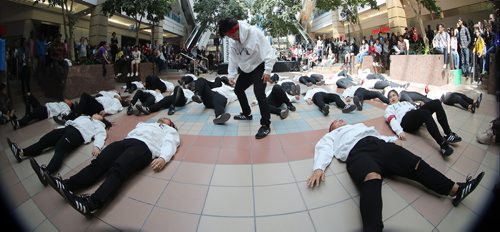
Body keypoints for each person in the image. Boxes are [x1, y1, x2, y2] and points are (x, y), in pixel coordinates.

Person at [307, 119, 485, 232]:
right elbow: (323, 149)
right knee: (372, 177)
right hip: (358, 153)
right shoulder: (331, 136)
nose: (340, 121)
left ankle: (456, 189)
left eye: (340, 120)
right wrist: (318, 168)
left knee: (416, 164)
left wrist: (394, 140)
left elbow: (378, 135)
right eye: (336, 122)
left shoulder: (358, 126)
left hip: (379, 145)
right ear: (332, 129)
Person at [45, 118, 180, 216]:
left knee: (118, 169)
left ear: (171, 125)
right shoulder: (146, 124)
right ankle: (68, 184)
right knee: (99, 163)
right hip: (125, 142)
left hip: (144, 147)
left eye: (167, 119)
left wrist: (163, 157)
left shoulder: (170, 131)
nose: (163, 118)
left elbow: (171, 143)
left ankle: (91, 204)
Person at [6, 114, 111, 186]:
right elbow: (71, 122)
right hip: (66, 129)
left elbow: (101, 135)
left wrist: (97, 146)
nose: (96, 113)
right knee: (45, 140)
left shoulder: (99, 125)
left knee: (60, 148)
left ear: (101, 119)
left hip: (77, 134)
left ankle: (46, 172)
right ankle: (21, 152)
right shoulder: (85, 117)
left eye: (99, 114)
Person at [218, 18, 277, 139]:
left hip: (259, 66)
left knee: (259, 92)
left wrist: (268, 70)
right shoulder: (232, 41)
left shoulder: (254, 33)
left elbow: (269, 51)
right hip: (246, 69)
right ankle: (246, 113)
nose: (233, 38)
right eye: (229, 36)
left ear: (237, 28)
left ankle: (265, 124)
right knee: (238, 90)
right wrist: (231, 75)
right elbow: (233, 59)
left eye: (233, 35)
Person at [385, 90, 461, 157]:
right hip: (405, 121)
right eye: (390, 97)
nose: (392, 98)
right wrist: (399, 131)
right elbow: (392, 120)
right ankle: (443, 144)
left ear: (398, 97)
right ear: (389, 100)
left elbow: (415, 110)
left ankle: (448, 134)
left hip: (414, 114)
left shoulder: (405, 103)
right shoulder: (389, 108)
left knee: (436, 102)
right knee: (425, 113)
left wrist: (420, 106)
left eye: (394, 95)